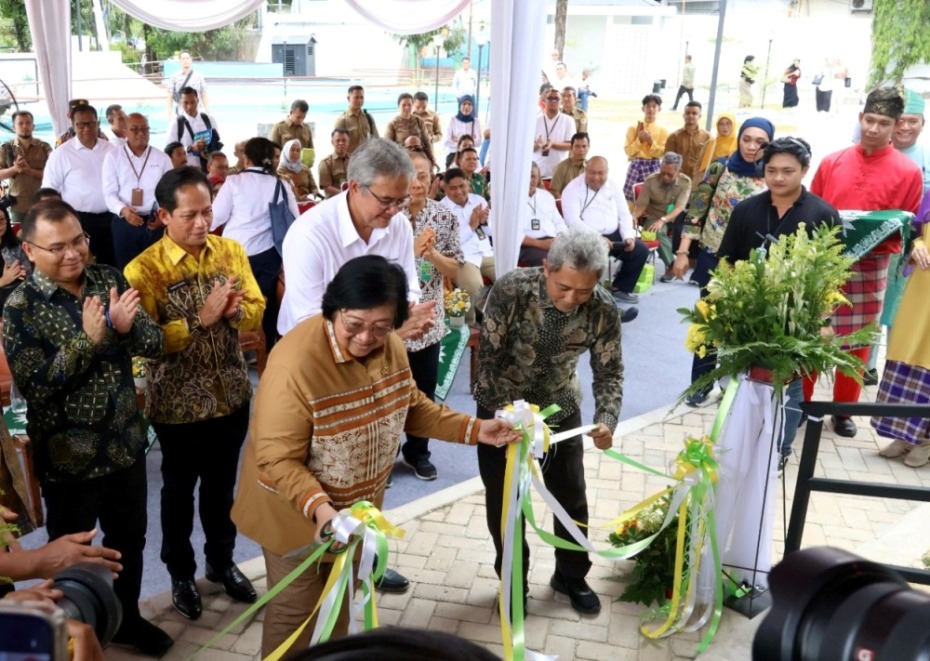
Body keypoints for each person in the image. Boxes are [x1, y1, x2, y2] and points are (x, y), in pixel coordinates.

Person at [231, 255, 521, 655]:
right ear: (332, 311)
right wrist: (321, 510)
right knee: (295, 615)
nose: (367, 338)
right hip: (295, 514)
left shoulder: (392, 347)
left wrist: (476, 430)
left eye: (382, 327)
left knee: (341, 603)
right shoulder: (294, 365)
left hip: (353, 514)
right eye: (355, 326)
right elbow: (277, 458)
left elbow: (411, 406)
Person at [1, 199, 170, 656]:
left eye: (79, 241)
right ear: (29, 250)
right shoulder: (20, 307)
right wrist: (90, 340)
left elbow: (153, 343)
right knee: (69, 555)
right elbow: (36, 386)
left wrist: (122, 328)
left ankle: (127, 618)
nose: (73, 254)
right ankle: (69, 634)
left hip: (125, 445)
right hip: (67, 460)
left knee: (128, 542)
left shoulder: (108, 279)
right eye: (58, 247)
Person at [123, 166, 265, 622]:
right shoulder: (143, 270)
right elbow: (144, 343)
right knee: (179, 491)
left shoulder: (231, 251)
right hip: (178, 405)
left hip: (231, 395)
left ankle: (222, 563)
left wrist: (237, 312)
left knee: (223, 488)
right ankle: (180, 573)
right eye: (190, 215)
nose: (202, 223)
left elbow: (257, 313)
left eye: (207, 211)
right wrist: (199, 320)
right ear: (164, 215)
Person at [475, 228, 619, 615]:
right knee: (506, 503)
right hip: (502, 414)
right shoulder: (511, 290)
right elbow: (488, 361)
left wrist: (606, 419)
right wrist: (510, 418)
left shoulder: (603, 308)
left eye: (583, 291)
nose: (572, 299)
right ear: (546, 268)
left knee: (570, 495)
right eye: (564, 287)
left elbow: (610, 372)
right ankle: (513, 581)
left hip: (560, 409)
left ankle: (571, 575)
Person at [803, 87, 923, 438]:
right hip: (826, 262)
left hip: (872, 266)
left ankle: (843, 410)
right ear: (860, 118)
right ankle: (804, 401)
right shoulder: (832, 161)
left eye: (882, 122)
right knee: (813, 331)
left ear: (895, 125)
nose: (873, 128)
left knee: (859, 341)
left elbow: (907, 223)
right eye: (869, 120)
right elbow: (812, 210)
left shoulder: (908, 171)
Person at [717, 137, 840, 468]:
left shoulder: (824, 214)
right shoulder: (746, 210)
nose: (779, 178)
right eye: (771, 170)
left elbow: (831, 278)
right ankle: (735, 444)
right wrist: (727, 305)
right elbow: (726, 261)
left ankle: (779, 452)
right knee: (738, 381)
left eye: (788, 171)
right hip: (747, 317)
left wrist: (822, 321)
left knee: (790, 388)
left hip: (796, 320)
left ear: (804, 169)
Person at [278, 138, 435, 341]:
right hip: (313, 350)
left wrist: (409, 315)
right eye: (386, 201)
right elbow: (310, 322)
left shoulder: (399, 225)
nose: (395, 210)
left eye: (402, 200)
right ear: (354, 187)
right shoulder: (309, 235)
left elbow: (408, 287)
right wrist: (389, 333)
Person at [672, 117, 774, 406]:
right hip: (714, 258)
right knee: (709, 322)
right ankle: (701, 384)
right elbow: (697, 210)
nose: (752, 146)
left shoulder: (772, 173)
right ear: (739, 139)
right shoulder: (721, 167)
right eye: (747, 139)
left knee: (746, 325)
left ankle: (739, 386)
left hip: (752, 266)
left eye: (760, 142)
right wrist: (682, 252)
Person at [397, 151, 464, 481]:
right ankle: (383, 457)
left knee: (423, 392)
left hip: (427, 324)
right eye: (410, 175)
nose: (417, 183)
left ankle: (417, 452)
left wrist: (431, 253)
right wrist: (410, 250)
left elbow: (456, 268)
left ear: (433, 179)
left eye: (423, 176)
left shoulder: (445, 217)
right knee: (385, 393)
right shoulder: (387, 214)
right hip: (391, 326)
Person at [212, 137, 299, 349]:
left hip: (233, 253)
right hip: (267, 255)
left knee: (231, 302)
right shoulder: (281, 184)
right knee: (264, 304)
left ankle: (232, 347)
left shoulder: (234, 182)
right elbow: (295, 220)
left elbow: (215, 217)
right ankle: (267, 348)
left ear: (246, 158)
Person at [872, 191, 930, 466]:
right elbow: (916, 232)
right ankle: (906, 434)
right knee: (907, 351)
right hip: (921, 289)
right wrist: (917, 244)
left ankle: (925, 440)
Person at [561, 156, 648, 315]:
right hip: (586, 236)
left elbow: (624, 213)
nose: (596, 177)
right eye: (592, 173)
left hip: (613, 234)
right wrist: (597, 238)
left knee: (640, 250)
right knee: (590, 261)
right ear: (585, 170)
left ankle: (620, 288)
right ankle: (595, 302)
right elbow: (572, 221)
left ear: (607, 172)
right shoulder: (572, 189)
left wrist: (628, 236)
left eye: (601, 173)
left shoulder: (613, 186)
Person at [41, 101, 116, 266]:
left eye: (90, 123)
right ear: (73, 126)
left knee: (111, 262)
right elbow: (48, 190)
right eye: (81, 125)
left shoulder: (111, 150)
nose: (87, 128)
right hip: (80, 220)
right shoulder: (61, 154)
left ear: (97, 123)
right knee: (84, 264)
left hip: (113, 217)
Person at [101, 113, 174, 270]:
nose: (140, 133)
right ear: (124, 131)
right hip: (125, 222)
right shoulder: (113, 157)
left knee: (158, 269)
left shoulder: (162, 158)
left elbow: (171, 192)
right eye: (134, 129)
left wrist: (163, 218)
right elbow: (109, 193)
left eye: (144, 129)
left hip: (156, 222)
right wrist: (124, 210)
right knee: (127, 270)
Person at [440, 167, 495, 325]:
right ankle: (468, 327)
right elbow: (447, 244)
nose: (458, 191)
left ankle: (500, 320)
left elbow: (491, 231)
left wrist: (484, 222)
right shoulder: (441, 209)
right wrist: (471, 226)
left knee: (509, 276)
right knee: (472, 286)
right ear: (445, 189)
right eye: (453, 188)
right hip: (462, 257)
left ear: (468, 184)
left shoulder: (478, 200)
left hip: (486, 252)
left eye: (462, 186)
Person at [632, 152, 691, 277]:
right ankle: (671, 265)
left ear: (679, 171)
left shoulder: (685, 182)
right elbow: (641, 205)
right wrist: (633, 217)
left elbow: (679, 207)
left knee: (690, 230)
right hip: (654, 216)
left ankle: (690, 261)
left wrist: (663, 220)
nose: (665, 177)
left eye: (670, 175)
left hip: (676, 216)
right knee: (655, 231)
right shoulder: (651, 181)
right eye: (662, 172)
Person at [0, 110, 51, 223]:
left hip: (41, 203)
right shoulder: (6, 148)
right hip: (18, 205)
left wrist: (30, 171)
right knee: (19, 238)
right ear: (14, 127)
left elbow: (52, 174)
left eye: (28, 123)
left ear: (33, 126)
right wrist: (14, 169)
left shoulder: (44, 147)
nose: (25, 126)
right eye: (20, 123)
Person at [623, 94, 669, 202]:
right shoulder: (633, 128)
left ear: (659, 109)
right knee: (631, 199)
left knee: (653, 200)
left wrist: (651, 141)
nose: (651, 109)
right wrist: (639, 140)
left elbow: (661, 153)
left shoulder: (663, 130)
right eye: (648, 106)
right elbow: (628, 151)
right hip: (636, 165)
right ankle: (632, 218)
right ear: (643, 108)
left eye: (654, 106)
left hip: (654, 167)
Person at [520, 161, 567, 266]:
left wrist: (560, 240)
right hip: (528, 245)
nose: (530, 181)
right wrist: (540, 244)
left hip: (552, 242)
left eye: (533, 176)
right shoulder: (511, 199)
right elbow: (510, 234)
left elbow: (558, 222)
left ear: (538, 178)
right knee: (554, 263)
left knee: (579, 257)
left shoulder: (546, 196)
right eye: (527, 176)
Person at [166, 87, 221, 171]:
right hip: (188, 171)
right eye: (185, 103)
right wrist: (190, 148)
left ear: (198, 101)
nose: (189, 106)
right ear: (180, 103)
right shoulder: (176, 124)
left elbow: (217, 142)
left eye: (192, 102)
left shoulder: (209, 120)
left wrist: (208, 150)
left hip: (209, 170)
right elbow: (169, 150)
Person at [664, 101, 711, 182]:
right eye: (688, 113)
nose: (691, 116)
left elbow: (710, 160)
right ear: (683, 115)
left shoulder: (708, 137)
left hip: (698, 180)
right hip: (678, 179)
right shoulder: (674, 136)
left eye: (694, 113)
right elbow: (668, 160)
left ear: (699, 116)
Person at [534, 88, 575, 179]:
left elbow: (571, 145)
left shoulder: (568, 120)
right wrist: (536, 146)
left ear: (561, 102)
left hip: (558, 173)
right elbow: (525, 147)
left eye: (556, 99)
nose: (553, 101)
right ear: (544, 101)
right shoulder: (535, 120)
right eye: (550, 98)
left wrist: (553, 144)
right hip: (537, 171)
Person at [333, 85, 379, 155]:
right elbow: (337, 145)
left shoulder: (368, 117)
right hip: (350, 161)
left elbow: (376, 140)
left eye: (361, 97)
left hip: (366, 159)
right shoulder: (342, 120)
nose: (359, 100)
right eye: (356, 97)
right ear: (348, 98)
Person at [166, 50, 209, 119]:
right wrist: (169, 115)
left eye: (187, 58)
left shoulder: (198, 76)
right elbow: (169, 95)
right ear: (180, 61)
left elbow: (204, 93)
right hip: (182, 114)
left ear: (191, 60)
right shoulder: (174, 77)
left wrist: (208, 112)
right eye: (183, 59)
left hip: (198, 114)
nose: (185, 60)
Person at [0, 206, 29, 307]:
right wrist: (3, 280)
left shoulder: (15, 245)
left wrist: (22, 272)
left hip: (19, 296)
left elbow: (28, 274)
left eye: (2, 220)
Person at [696, 113, 737, 179]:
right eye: (721, 124)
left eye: (728, 123)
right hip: (710, 183)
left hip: (731, 183)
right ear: (717, 126)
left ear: (733, 125)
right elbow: (699, 165)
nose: (725, 127)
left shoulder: (738, 144)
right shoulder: (710, 143)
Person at [550, 131, 589, 198]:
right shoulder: (561, 167)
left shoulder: (591, 167)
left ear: (588, 147)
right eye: (577, 146)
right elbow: (554, 191)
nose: (581, 150)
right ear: (571, 148)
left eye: (584, 146)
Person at [318, 128, 351, 197]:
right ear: (332, 142)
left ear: (348, 142)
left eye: (344, 140)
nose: (341, 143)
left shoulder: (355, 160)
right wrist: (346, 194)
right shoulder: (325, 163)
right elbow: (327, 188)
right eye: (338, 140)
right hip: (334, 200)